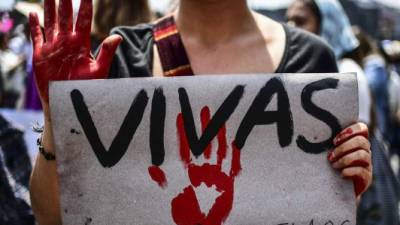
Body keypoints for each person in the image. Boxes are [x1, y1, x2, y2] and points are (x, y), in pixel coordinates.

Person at [28, 0, 373, 224]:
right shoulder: (121, 54)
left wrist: (345, 186)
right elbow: (51, 216)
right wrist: (57, 116)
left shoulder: (313, 63)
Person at [286, 0, 372, 127]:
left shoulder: (347, 73)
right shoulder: (298, 72)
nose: (290, 28)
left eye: (300, 21)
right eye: (288, 20)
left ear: (326, 25)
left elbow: (358, 133)